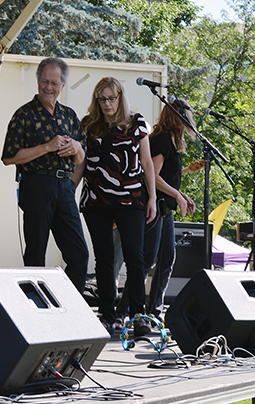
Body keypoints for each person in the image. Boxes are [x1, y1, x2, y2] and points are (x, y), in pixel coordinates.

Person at [74, 77, 157, 336]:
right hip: (96, 199)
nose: (107, 104)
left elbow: (147, 163)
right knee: (104, 259)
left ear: (120, 98)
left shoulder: (136, 122)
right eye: (102, 99)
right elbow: (81, 163)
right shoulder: (88, 125)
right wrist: (68, 192)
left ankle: (138, 316)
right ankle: (107, 315)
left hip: (131, 197)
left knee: (135, 257)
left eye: (111, 98)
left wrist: (152, 197)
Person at [1, 57, 89, 292]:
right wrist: (47, 147)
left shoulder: (70, 116)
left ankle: (69, 311)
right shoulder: (24, 114)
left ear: (63, 85)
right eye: (44, 81)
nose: (48, 87)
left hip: (65, 187)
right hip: (36, 185)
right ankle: (35, 314)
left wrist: (77, 149)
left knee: (79, 256)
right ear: (38, 81)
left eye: (54, 83)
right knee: (35, 256)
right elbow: (9, 157)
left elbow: (82, 159)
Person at [143, 99, 197, 320]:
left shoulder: (171, 141)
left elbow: (167, 178)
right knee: (148, 260)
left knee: (166, 259)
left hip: (166, 208)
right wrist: (177, 195)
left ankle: (154, 310)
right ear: (178, 116)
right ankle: (127, 309)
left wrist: (182, 195)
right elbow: (152, 177)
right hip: (155, 206)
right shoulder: (163, 140)